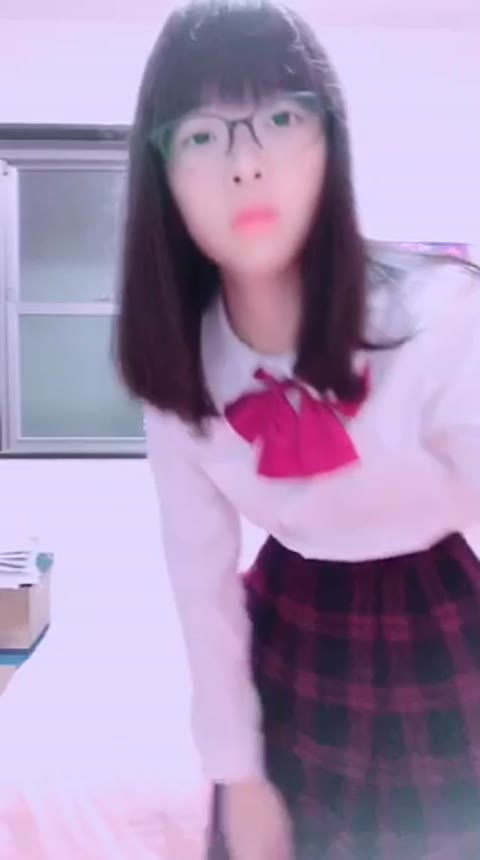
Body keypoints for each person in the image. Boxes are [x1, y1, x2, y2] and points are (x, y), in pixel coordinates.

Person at [115, 1, 480, 857]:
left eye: (280, 119)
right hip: (289, 620)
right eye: (203, 135)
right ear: (162, 173)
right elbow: (200, 582)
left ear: (330, 142)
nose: (246, 165)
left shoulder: (444, 315)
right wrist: (237, 774)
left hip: (440, 618)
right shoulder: (181, 366)